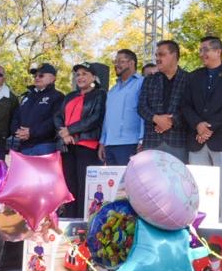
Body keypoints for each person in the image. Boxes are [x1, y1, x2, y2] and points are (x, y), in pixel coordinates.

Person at [183, 37, 222, 222]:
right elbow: (185, 106)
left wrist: (208, 127)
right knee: (198, 188)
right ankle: (199, 228)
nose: (202, 54)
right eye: (201, 50)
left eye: (205, 50)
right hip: (197, 140)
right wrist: (198, 125)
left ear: (218, 52)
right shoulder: (193, 76)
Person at [57, 63, 106, 218]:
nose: (80, 77)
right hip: (68, 146)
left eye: (85, 74)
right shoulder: (70, 96)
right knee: (70, 187)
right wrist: (64, 134)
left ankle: (83, 224)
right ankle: (70, 223)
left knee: (85, 187)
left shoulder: (100, 94)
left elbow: (95, 118)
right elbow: (57, 116)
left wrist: (70, 130)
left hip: (87, 146)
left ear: (93, 77)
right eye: (78, 74)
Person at [138, 40, 191, 161]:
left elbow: (192, 108)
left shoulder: (189, 79)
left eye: (161, 54)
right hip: (152, 142)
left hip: (178, 142)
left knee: (178, 180)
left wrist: (171, 121)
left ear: (174, 55)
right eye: (156, 55)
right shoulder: (149, 80)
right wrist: (156, 119)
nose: (157, 58)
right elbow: (141, 107)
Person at [9, 63, 66, 156]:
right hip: (22, 146)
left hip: (45, 146)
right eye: (35, 76)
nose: (37, 78)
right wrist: (18, 132)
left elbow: (55, 121)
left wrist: (31, 132)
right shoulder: (27, 96)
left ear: (53, 78)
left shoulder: (58, 97)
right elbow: (16, 117)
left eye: (41, 75)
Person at [100, 49, 144, 167]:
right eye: (115, 61)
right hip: (109, 144)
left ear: (131, 63)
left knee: (128, 183)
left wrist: (142, 139)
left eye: (121, 61)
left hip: (130, 143)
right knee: (113, 185)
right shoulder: (112, 90)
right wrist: (103, 142)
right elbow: (107, 117)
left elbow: (144, 113)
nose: (116, 65)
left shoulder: (142, 83)